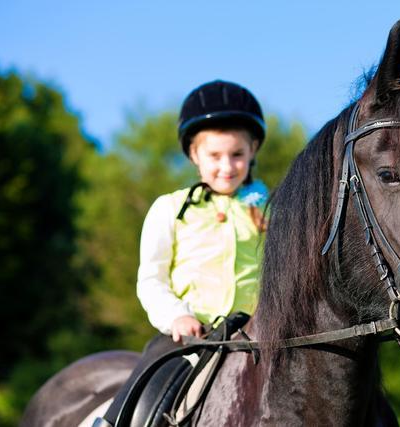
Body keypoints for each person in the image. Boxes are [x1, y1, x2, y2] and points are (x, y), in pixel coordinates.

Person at [93, 80, 268, 427]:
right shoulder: (170, 209)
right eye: (214, 156)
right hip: (189, 337)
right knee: (144, 391)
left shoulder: (272, 211)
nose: (227, 166)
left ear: (253, 151)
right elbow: (151, 279)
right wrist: (176, 316)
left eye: (237, 155)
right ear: (194, 156)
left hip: (257, 339)